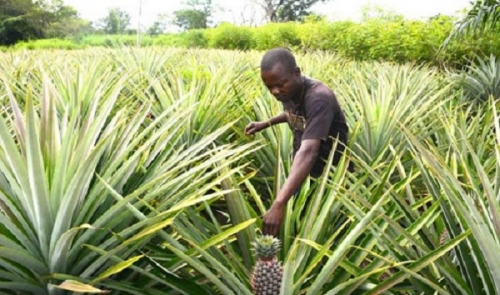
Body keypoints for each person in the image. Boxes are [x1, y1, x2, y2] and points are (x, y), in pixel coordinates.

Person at [244, 47, 352, 237]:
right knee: (295, 224)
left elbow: (309, 150)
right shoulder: (290, 91)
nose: (275, 91)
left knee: (321, 232)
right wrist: (265, 123)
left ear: (297, 73)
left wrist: (278, 203)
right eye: (269, 87)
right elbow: (291, 114)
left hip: (329, 177)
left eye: (279, 84)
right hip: (303, 172)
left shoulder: (319, 98)